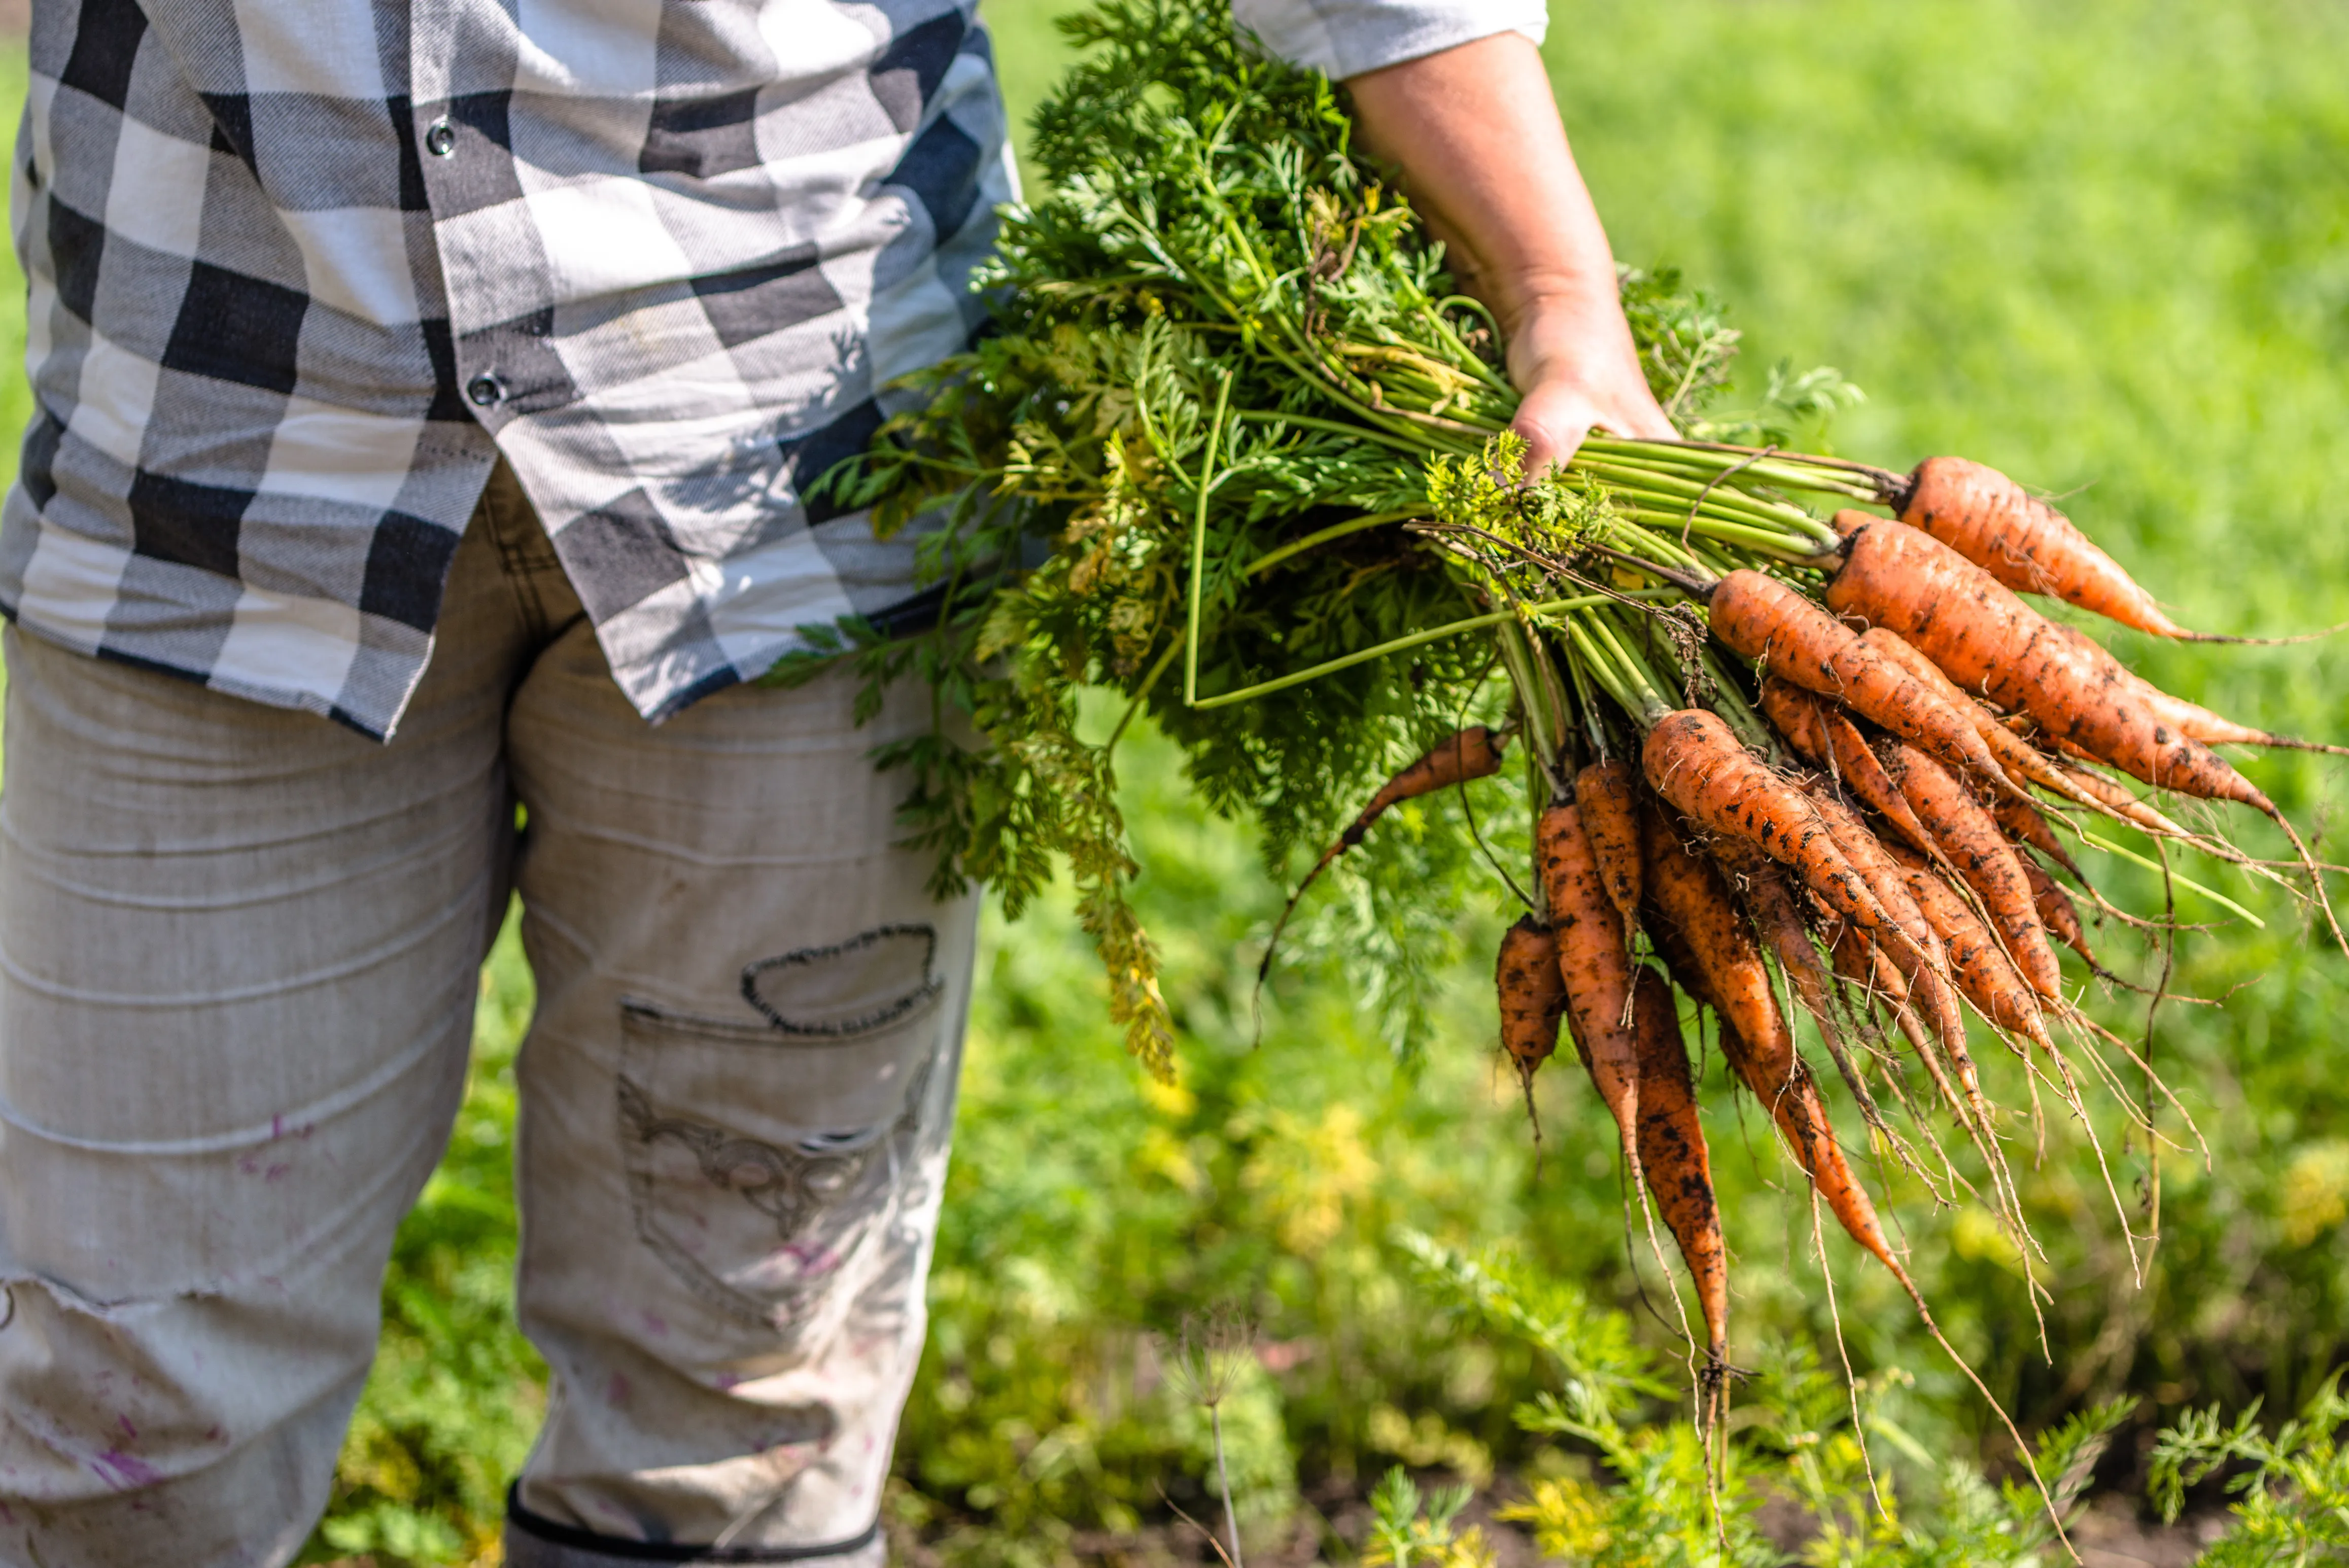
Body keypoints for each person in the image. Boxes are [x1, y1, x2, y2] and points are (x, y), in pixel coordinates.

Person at [0, 0, 1671, 1560]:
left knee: (744, 1360)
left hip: (803, 472)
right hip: (209, 472)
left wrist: (1556, 300)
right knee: (119, 1397)